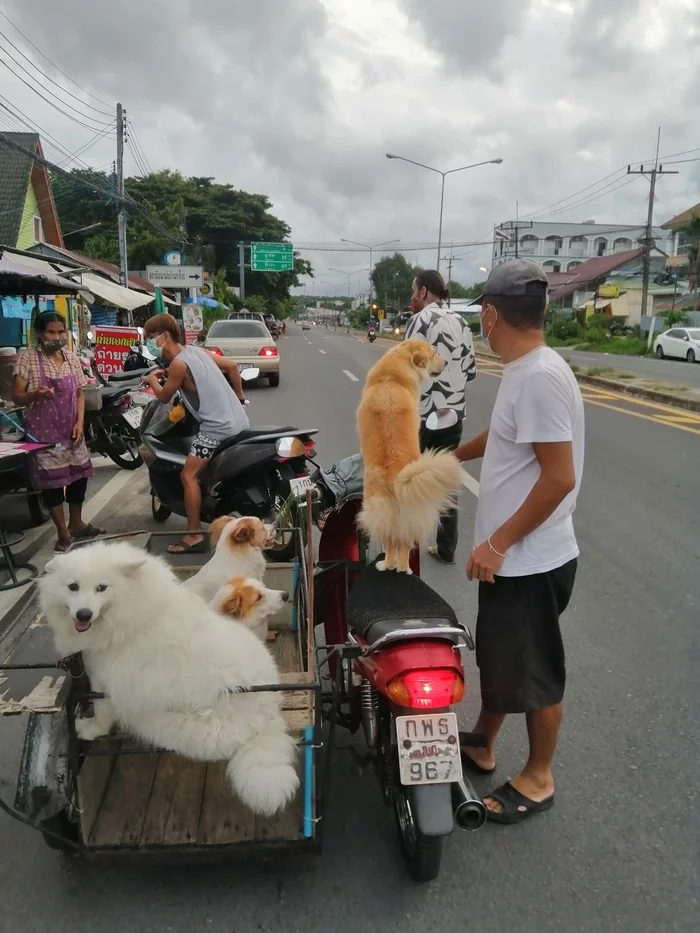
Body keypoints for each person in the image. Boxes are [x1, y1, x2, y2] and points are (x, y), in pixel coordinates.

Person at [455, 258, 584, 825]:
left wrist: (498, 543)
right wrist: (449, 455)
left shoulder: (538, 377)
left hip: (529, 560)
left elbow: (559, 477)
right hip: (517, 559)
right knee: (504, 655)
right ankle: (484, 740)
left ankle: (538, 777)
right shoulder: (523, 368)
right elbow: (507, 435)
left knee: (535, 671)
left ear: (489, 313)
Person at [141, 314, 249, 555]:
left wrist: (150, 379)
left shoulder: (179, 365)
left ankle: (193, 534)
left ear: (165, 336)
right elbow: (232, 366)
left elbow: (164, 396)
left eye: (150, 338)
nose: (148, 343)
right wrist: (240, 397)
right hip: (238, 421)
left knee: (187, 475)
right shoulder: (198, 352)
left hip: (216, 427)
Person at [13, 311, 102, 552]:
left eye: (61, 332)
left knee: (78, 478)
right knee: (52, 484)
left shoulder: (71, 358)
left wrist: (80, 422)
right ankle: (63, 533)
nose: (57, 336)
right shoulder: (27, 358)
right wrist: (34, 394)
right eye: (51, 332)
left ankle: (76, 523)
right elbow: (17, 395)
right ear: (40, 334)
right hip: (43, 433)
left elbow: (80, 393)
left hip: (71, 430)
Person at [404, 269, 476, 564]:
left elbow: (405, 368)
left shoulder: (419, 321)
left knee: (409, 479)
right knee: (445, 480)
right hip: (452, 414)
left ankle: (407, 547)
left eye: (414, 291)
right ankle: (446, 547)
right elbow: (470, 371)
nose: (412, 296)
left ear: (423, 291)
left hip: (423, 414)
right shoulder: (462, 322)